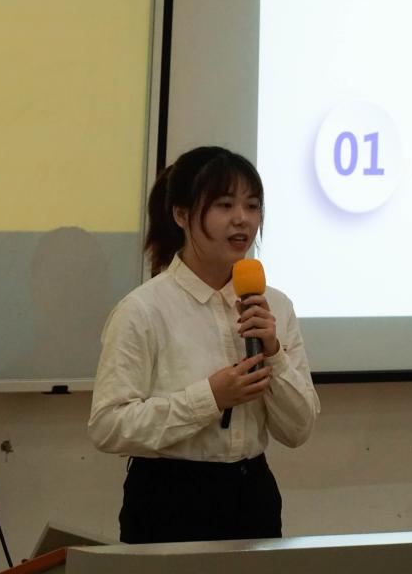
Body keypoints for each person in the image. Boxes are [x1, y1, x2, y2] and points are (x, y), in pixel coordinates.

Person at [87, 146, 320, 544]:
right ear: (181, 215)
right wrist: (209, 398)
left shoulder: (275, 305)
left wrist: (275, 354)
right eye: (225, 205)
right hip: (169, 498)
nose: (242, 219)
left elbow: (298, 430)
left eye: (252, 206)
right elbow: (108, 426)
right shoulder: (143, 310)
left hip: (253, 493)